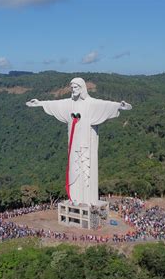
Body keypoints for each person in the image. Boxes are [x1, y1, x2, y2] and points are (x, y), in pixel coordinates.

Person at [26, 78, 132, 206]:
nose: (73, 90)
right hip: (73, 145)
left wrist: (119, 106)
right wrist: (39, 103)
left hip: (88, 143)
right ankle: (75, 198)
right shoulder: (69, 103)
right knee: (73, 170)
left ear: (82, 88)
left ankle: (88, 200)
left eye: (76, 87)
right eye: (72, 88)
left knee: (87, 171)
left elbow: (104, 104)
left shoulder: (91, 103)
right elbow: (55, 103)